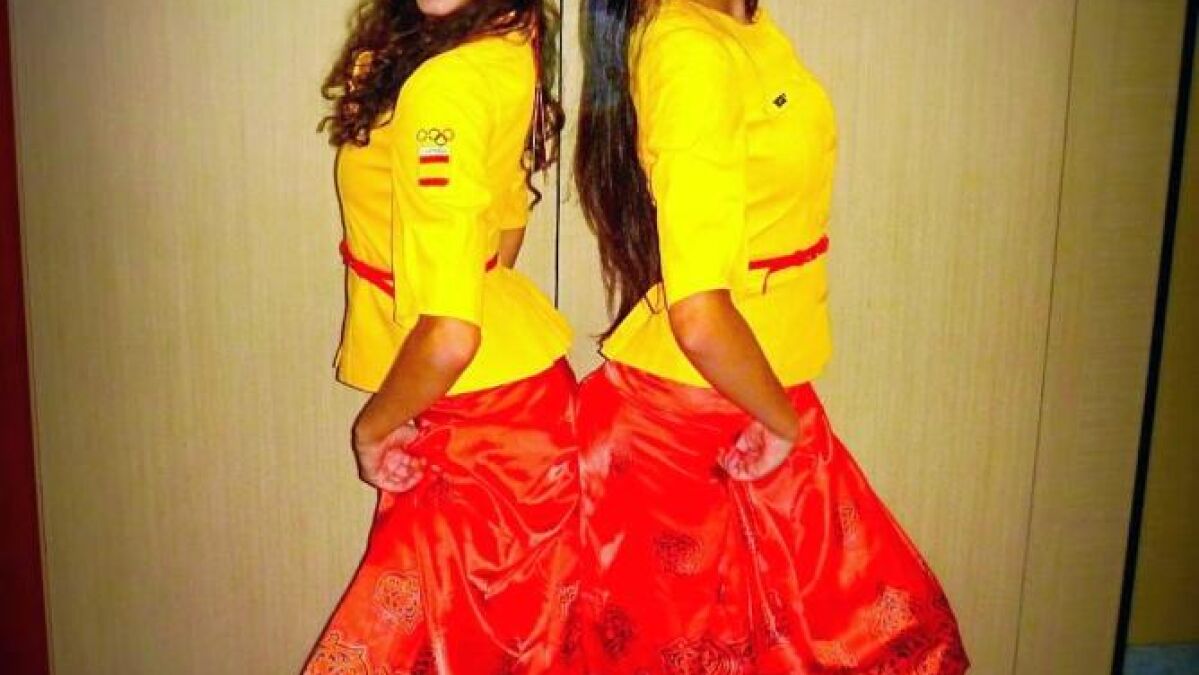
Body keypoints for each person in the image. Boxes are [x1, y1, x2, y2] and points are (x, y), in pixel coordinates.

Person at [571, 0, 970, 672]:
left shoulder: (742, 24)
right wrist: (783, 424)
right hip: (698, 422)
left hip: (746, 389)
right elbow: (699, 315)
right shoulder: (688, 49)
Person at [301, 1, 579, 673]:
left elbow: (452, 336)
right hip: (497, 403)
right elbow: (505, 219)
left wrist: (372, 430)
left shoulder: (447, 80)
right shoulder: (503, 41)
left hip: (480, 426)